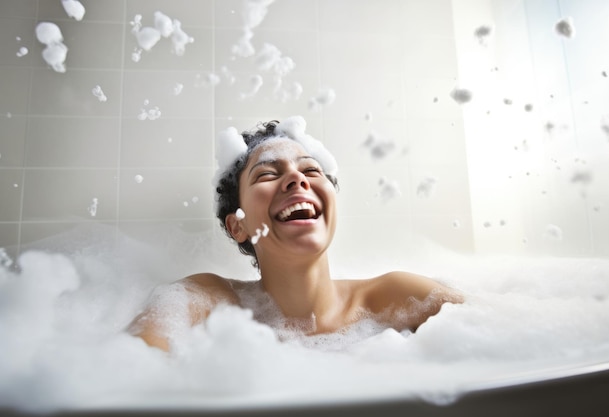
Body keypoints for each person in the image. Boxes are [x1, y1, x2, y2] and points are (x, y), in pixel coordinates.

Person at [127, 116, 463, 352]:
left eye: (311, 170)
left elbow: (501, 331)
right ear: (237, 225)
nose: (297, 180)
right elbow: (130, 373)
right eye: (266, 175)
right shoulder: (206, 302)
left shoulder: (398, 298)